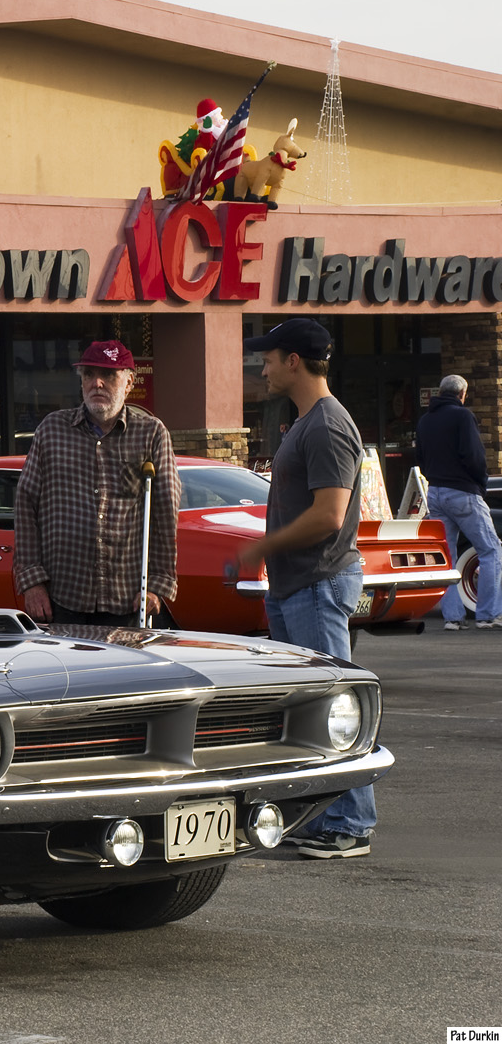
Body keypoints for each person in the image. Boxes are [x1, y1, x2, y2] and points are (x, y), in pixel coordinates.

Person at [236, 318, 373, 860]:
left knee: (336, 706)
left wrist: (261, 549)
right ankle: (322, 817)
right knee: (305, 711)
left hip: (318, 583)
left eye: (268, 357)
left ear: (294, 360)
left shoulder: (327, 426)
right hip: (296, 587)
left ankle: (351, 823)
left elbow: (330, 516)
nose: (262, 367)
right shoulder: (303, 423)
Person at [14, 339, 179, 627]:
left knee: (124, 673)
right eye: (89, 375)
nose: (97, 383)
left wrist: (157, 583)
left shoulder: (151, 433)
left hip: (127, 596)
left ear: (128, 383)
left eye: (109, 375)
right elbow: (26, 503)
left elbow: (165, 510)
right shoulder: (52, 430)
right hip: (62, 596)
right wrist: (31, 580)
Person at [415, 374, 501, 631]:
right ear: (462, 394)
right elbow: (474, 456)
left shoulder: (425, 420)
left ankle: (452, 618)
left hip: (436, 493)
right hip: (463, 492)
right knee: (491, 550)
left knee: (447, 557)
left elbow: (420, 457)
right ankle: (487, 615)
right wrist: (480, 484)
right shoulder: (463, 417)